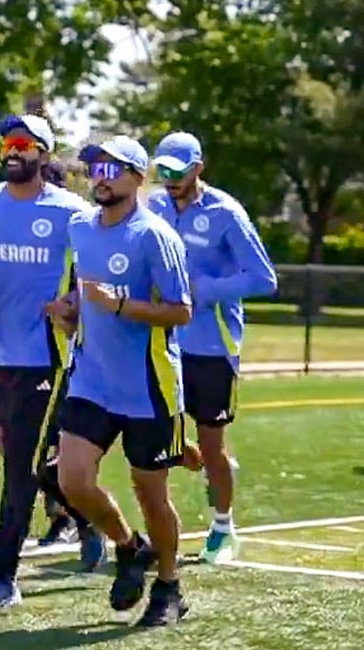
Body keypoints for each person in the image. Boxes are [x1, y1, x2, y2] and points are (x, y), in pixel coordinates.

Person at [0, 114, 105, 612]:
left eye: (23, 144)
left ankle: (2, 575)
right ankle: (93, 522)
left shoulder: (71, 212)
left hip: (49, 357)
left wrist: (74, 303)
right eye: (7, 143)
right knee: (12, 445)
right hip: (1, 354)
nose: (12, 151)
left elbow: (100, 266)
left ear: (43, 153)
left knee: (20, 465)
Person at [57, 135, 193, 627]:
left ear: (138, 177)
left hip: (148, 386)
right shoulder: (80, 229)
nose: (100, 176)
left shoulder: (154, 236)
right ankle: (130, 546)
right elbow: (81, 290)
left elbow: (181, 311)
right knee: (71, 479)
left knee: (151, 493)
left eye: (113, 168)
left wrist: (120, 305)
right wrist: (72, 310)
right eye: (95, 167)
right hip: (91, 378)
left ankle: (171, 585)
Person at [147, 131, 277, 564]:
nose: (168, 179)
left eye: (177, 171)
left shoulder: (226, 213)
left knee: (213, 443)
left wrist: (208, 290)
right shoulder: (156, 207)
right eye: (162, 169)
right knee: (157, 436)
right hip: (165, 341)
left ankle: (222, 528)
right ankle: (159, 531)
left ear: (198, 168)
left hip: (213, 346)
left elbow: (263, 278)